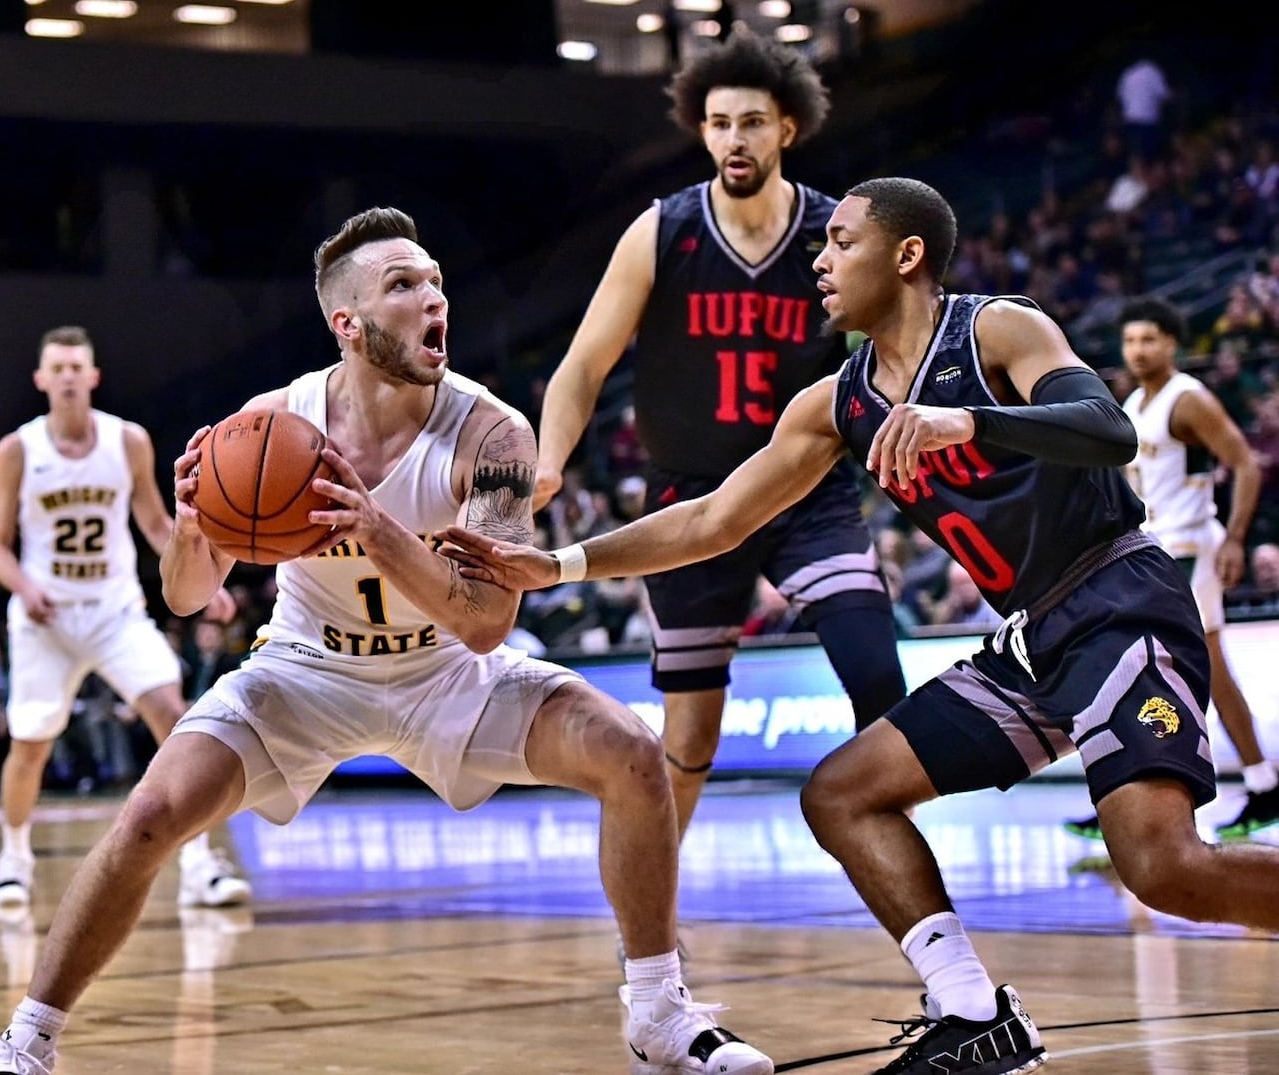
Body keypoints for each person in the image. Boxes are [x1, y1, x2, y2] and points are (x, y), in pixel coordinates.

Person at [441, 177, 1279, 1075]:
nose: (821, 259)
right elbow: (710, 521)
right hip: (1033, 638)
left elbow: (1107, 429)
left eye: (841, 242)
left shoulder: (998, 328)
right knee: (840, 791)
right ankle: (973, 1012)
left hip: (1118, 597)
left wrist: (969, 419)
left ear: (906, 254)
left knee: (1162, 868)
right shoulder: (836, 403)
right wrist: (561, 564)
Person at [0, 208, 770, 1075]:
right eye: (403, 285)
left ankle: (657, 1010)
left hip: (445, 672)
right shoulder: (273, 423)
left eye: (434, 280)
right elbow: (187, 595)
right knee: (150, 816)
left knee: (632, 752)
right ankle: (29, 1040)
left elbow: (484, 623)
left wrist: (377, 527)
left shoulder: (493, 433)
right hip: (304, 668)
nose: (433, 297)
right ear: (346, 325)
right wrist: (196, 528)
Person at [531, 30, 907, 844]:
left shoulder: (834, 235)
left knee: (879, 671)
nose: (734, 138)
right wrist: (548, 464)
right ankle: (652, 912)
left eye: (752, 122)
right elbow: (584, 364)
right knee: (691, 736)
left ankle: (903, 876)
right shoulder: (660, 231)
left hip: (805, 490)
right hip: (690, 499)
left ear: (787, 129)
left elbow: (897, 349)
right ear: (700, 131)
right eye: (718, 123)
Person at [0, 325, 250, 917]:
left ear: (94, 376)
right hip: (45, 618)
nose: (70, 375)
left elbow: (156, 526)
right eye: (59, 367)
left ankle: (200, 864)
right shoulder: (17, 451)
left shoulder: (127, 440)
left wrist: (203, 578)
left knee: (176, 717)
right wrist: (25, 587)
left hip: (114, 609)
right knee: (30, 744)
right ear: (42, 379)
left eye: (79, 365)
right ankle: (14, 861)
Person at [1062, 296, 1279, 841]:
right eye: (1131, 340)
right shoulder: (1135, 402)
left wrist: (1234, 539)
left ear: (1172, 344)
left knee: (1169, 670)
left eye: (1148, 340)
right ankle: (1153, 792)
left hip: (1190, 549)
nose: (1137, 350)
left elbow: (1246, 464)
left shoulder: (1188, 400)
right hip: (1154, 552)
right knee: (1175, 672)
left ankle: (1233, 784)